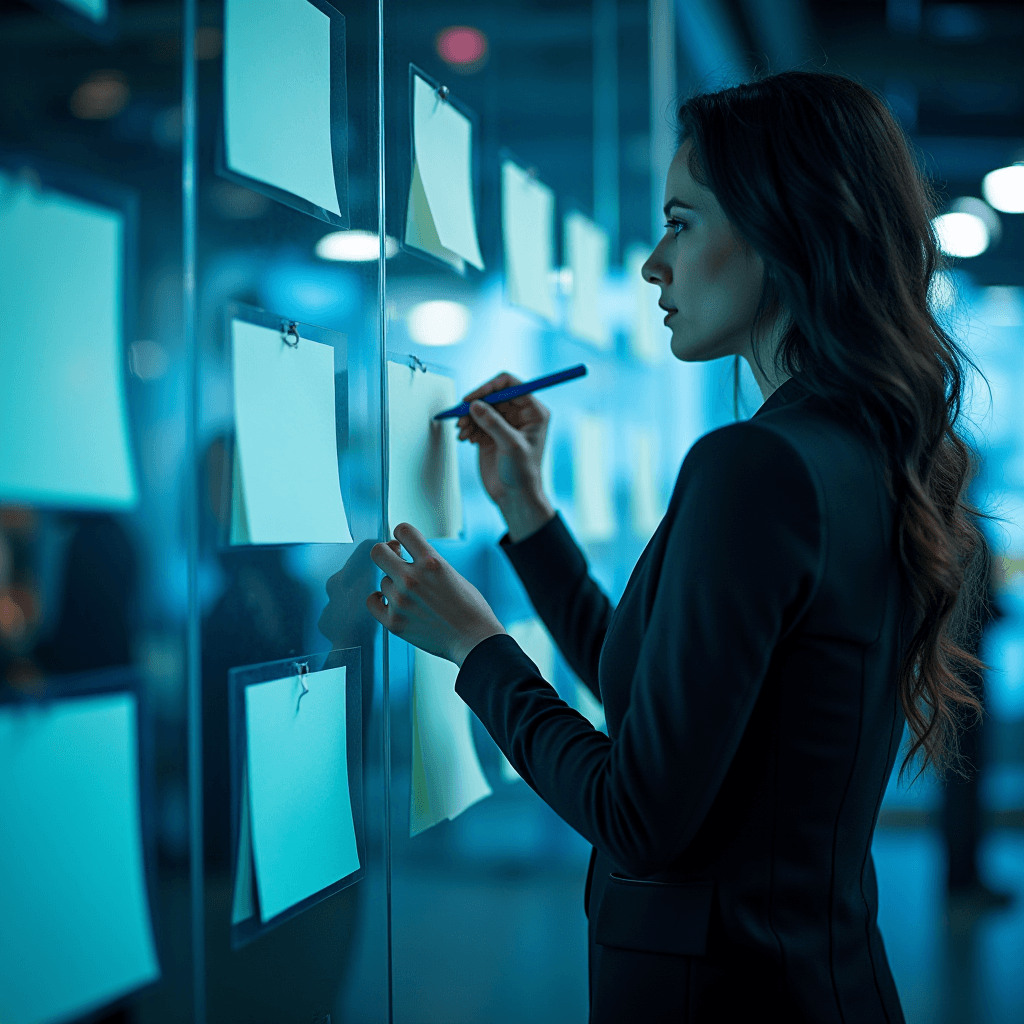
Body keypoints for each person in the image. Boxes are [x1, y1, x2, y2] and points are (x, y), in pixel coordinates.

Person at [359, 70, 993, 1022]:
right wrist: (530, 517)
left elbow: (637, 817)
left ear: (784, 232)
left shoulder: (759, 465)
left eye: (681, 222)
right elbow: (661, 702)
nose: (653, 264)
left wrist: (479, 652)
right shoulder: (854, 449)